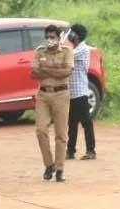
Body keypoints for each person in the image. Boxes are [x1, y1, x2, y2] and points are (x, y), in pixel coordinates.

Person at [31, 25, 73, 182]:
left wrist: (46, 70)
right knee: (41, 130)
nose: (50, 40)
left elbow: (67, 71)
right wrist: (55, 70)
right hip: (43, 94)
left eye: (53, 37)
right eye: (47, 37)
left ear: (59, 37)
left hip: (61, 94)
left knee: (61, 134)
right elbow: (33, 73)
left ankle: (60, 168)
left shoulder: (67, 51)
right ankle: (49, 165)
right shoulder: (40, 51)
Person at [66, 23, 96, 160]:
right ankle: (70, 151)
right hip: (72, 93)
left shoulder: (82, 49)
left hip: (81, 92)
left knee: (86, 123)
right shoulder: (75, 48)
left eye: (71, 33)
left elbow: (66, 55)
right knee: (71, 123)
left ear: (76, 36)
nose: (69, 35)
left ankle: (91, 151)